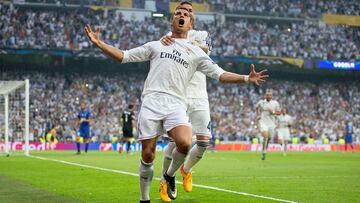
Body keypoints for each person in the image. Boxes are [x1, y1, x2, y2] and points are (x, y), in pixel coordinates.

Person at [85, 8, 268, 203]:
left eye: (186, 15)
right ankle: (144, 199)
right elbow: (124, 56)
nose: (181, 15)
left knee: (185, 142)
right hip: (152, 101)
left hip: (176, 103)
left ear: (190, 24)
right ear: (172, 21)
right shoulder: (157, 45)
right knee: (148, 154)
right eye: (178, 13)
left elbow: (219, 74)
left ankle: (169, 175)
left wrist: (247, 78)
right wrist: (99, 43)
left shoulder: (197, 51)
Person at [159, 1, 214, 198]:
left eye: (189, 12)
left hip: (200, 95)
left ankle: (185, 170)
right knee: (179, 141)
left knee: (204, 142)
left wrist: (186, 43)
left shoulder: (202, 35)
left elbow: (206, 50)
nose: (185, 14)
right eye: (181, 12)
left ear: (193, 18)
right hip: (179, 94)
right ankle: (165, 180)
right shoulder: (167, 37)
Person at [256, 89, 281, 160]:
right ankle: (263, 151)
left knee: (269, 138)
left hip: (272, 123)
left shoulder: (275, 103)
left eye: (270, 95)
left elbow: (279, 113)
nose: (268, 96)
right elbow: (257, 108)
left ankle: (265, 150)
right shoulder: (261, 102)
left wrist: (273, 112)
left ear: (272, 96)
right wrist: (258, 115)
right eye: (267, 95)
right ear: (265, 95)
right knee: (265, 136)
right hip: (263, 122)